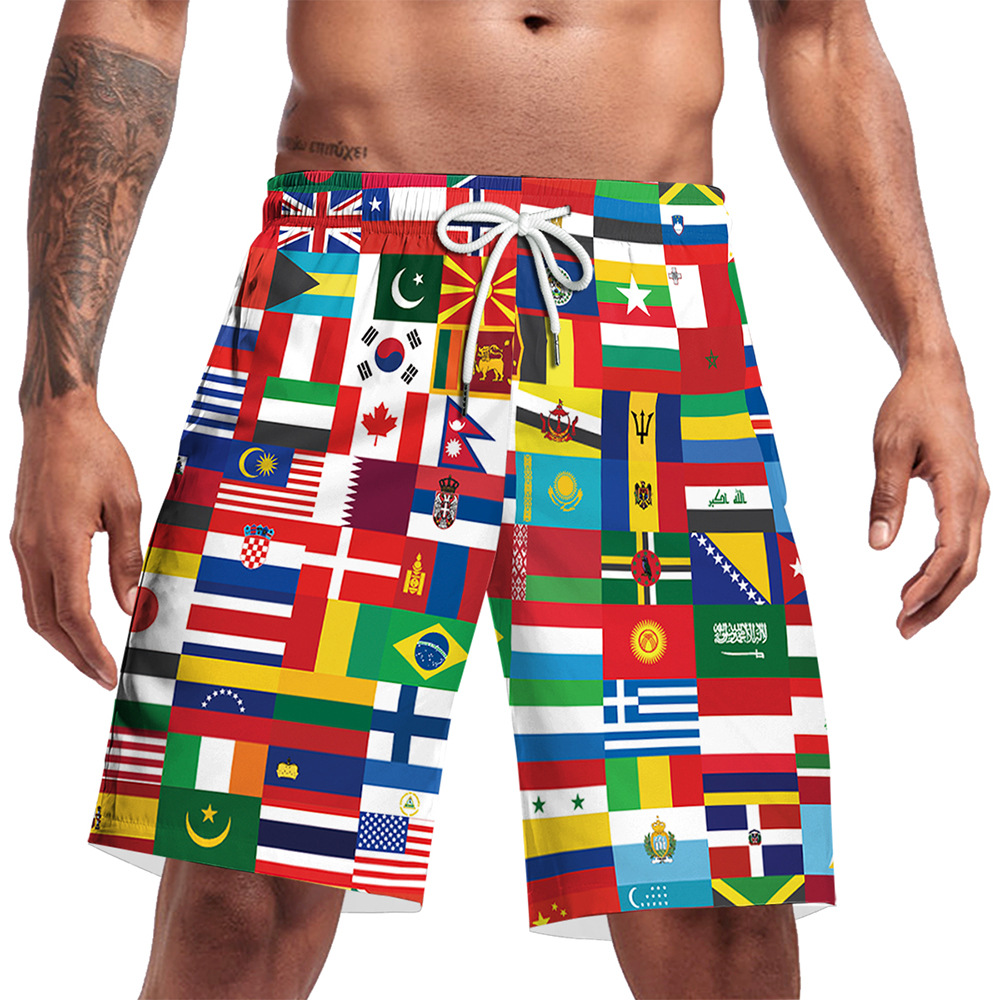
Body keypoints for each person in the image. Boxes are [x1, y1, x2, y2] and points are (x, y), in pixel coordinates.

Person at [10, 1, 989, 998]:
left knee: (716, 894)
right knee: (239, 881)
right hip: (356, 285)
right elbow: (134, 11)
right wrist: (60, 398)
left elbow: (816, 30)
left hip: (642, 308)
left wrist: (927, 350)